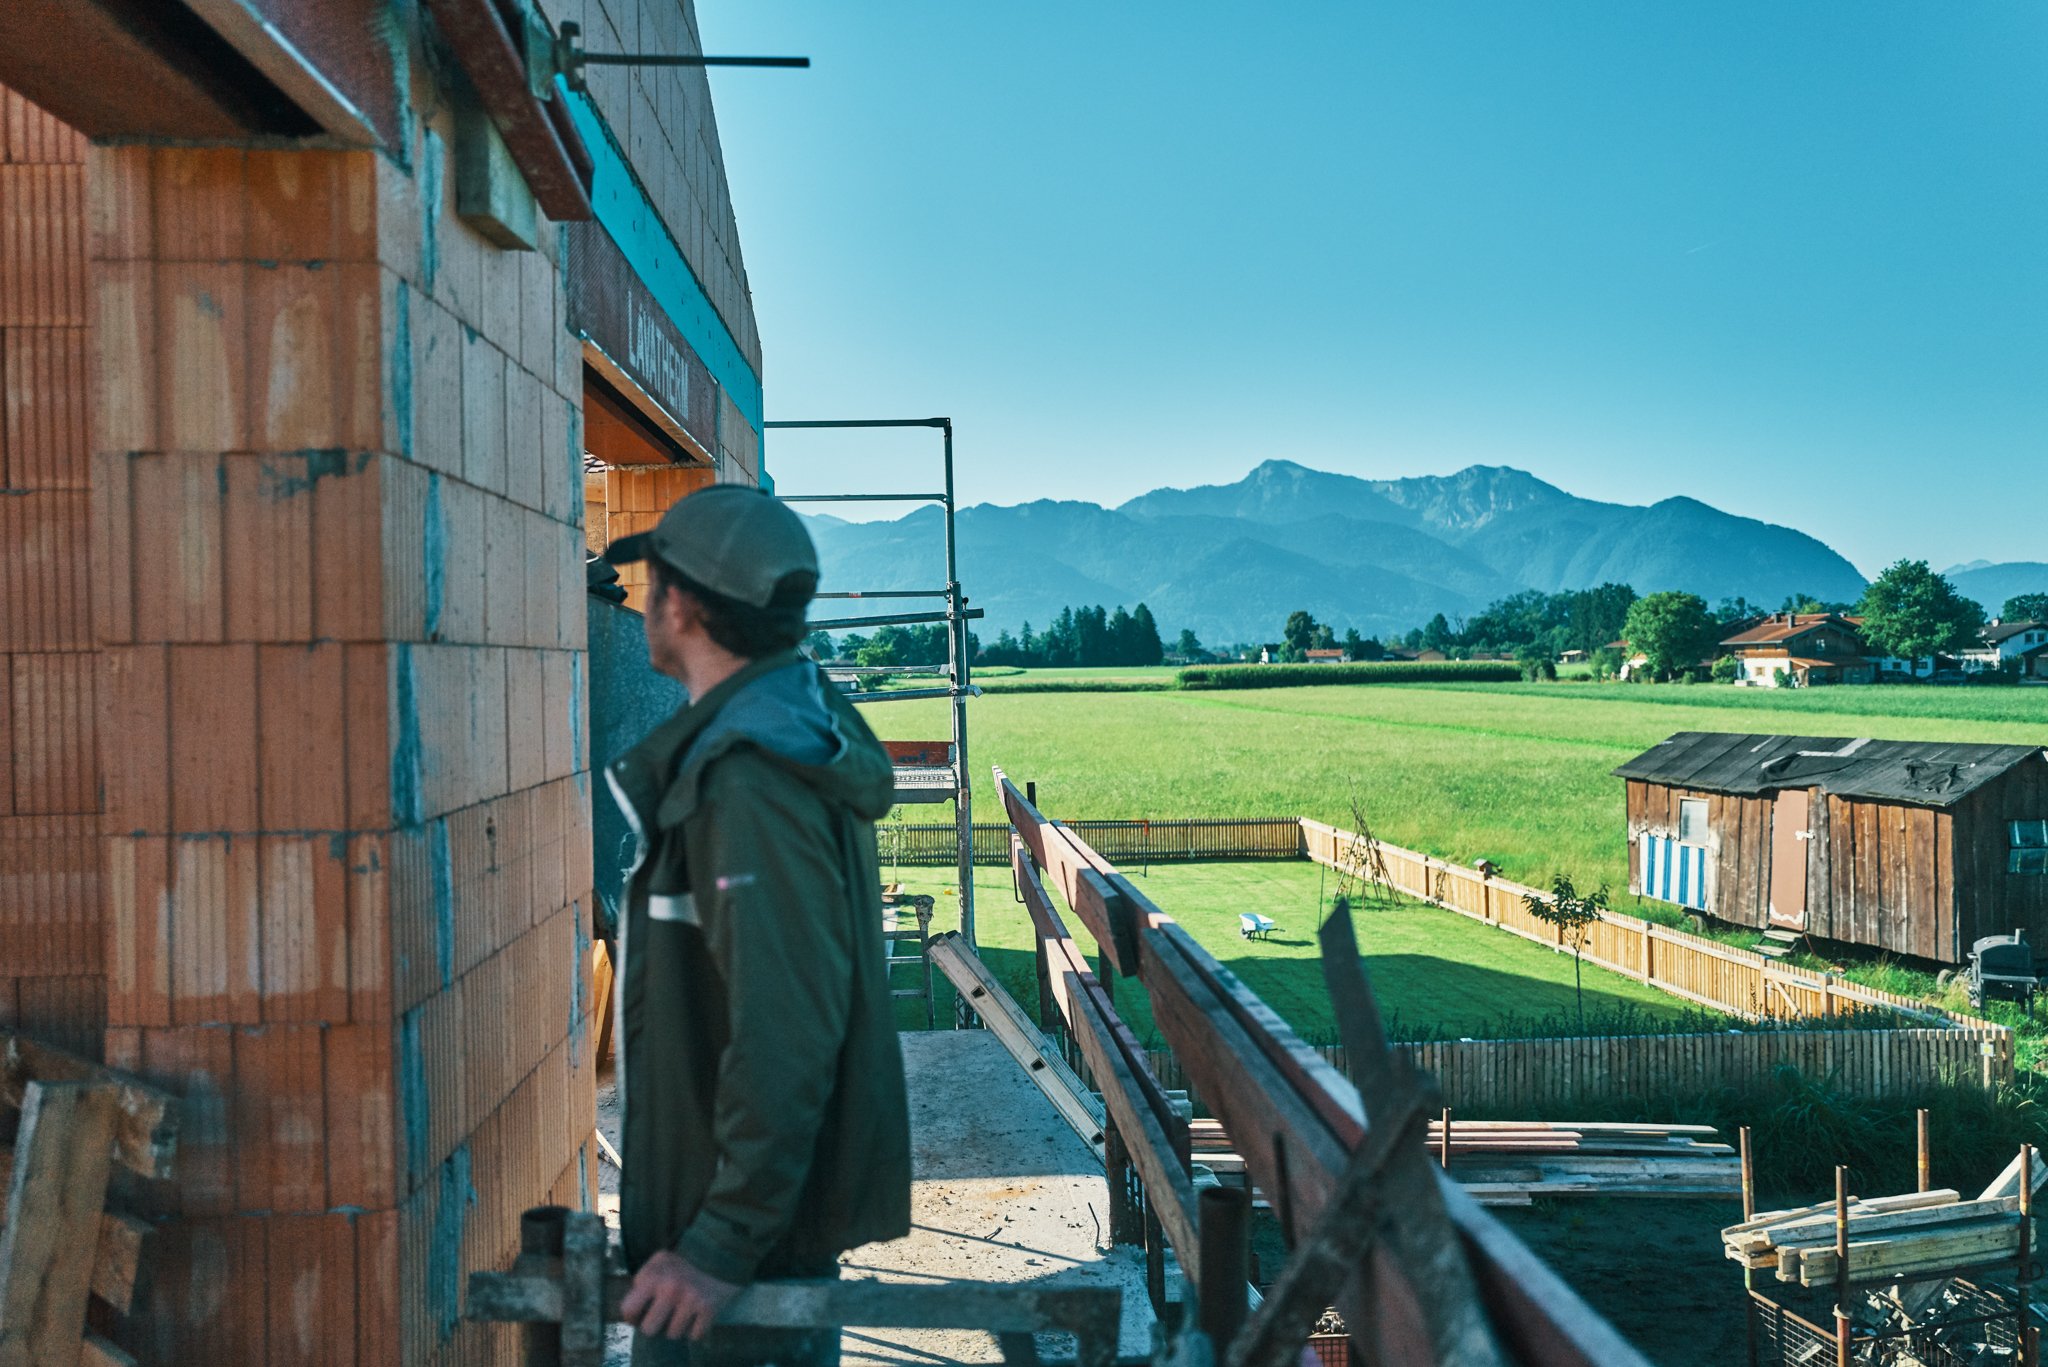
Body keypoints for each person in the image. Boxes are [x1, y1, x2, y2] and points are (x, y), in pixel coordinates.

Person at [601, 484, 911, 1365]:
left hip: (735, 1286)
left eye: (651, 582)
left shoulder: (750, 780)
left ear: (688, 603)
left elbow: (784, 1024)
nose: (641, 601)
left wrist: (717, 1245)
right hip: (749, 1259)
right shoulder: (779, 734)